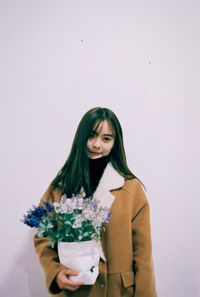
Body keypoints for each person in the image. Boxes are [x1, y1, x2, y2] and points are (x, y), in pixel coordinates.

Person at [34, 107, 157, 297]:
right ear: (81, 137)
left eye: (106, 138)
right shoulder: (60, 186)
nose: (96, 145)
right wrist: (55, 272)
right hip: (75, 290)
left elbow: (143, 254)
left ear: (115, 143)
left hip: (118, 291)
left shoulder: (131, 188)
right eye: (91, 136)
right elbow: (42, 234)